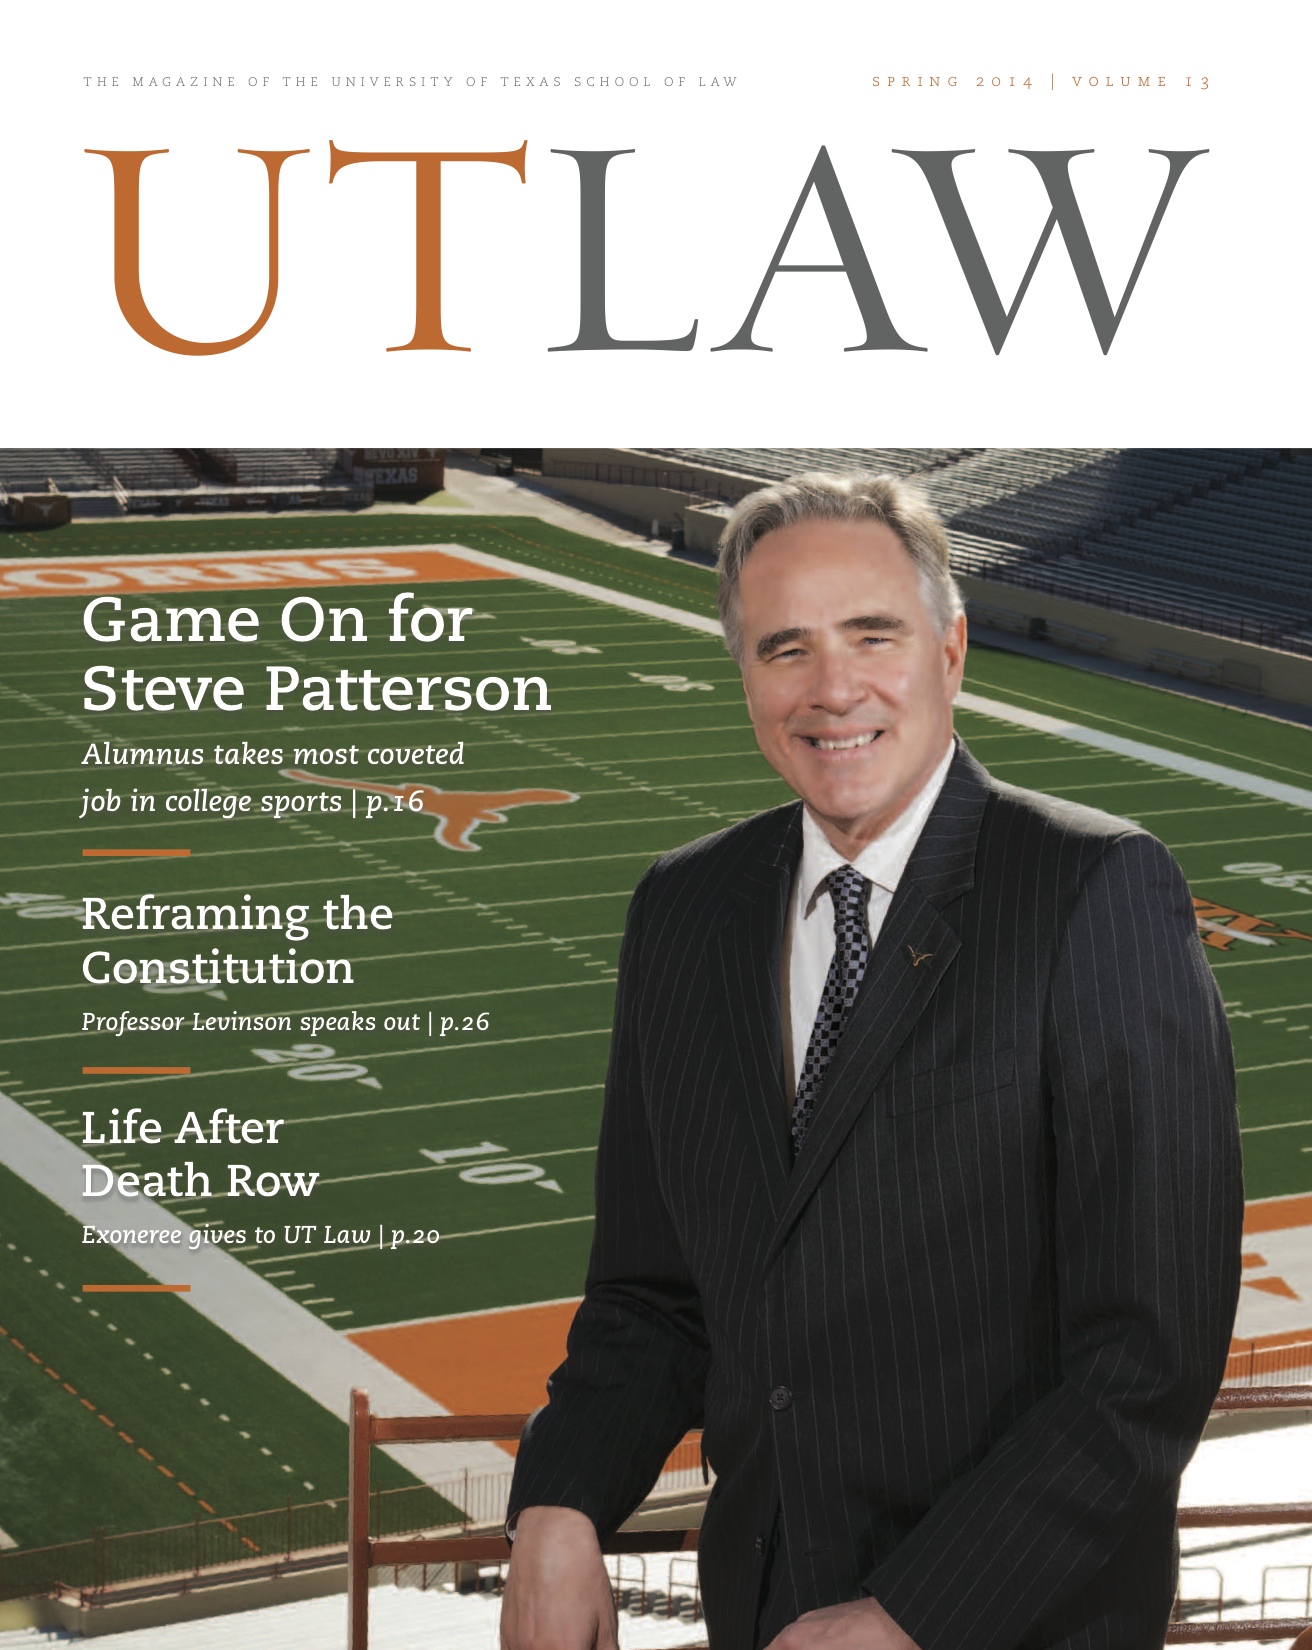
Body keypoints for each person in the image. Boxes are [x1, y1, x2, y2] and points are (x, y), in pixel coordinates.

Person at [500, 472, 1243, 1650]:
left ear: (950, 650)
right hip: (766, 1616)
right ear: (741, 674)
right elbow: (653, 1296)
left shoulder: (1091, 892)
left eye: (871, 635)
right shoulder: (685, 910)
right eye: (784, 648)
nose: (831, 688)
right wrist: (558, 1502)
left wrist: (909, 1615)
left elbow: (1144, 1362)